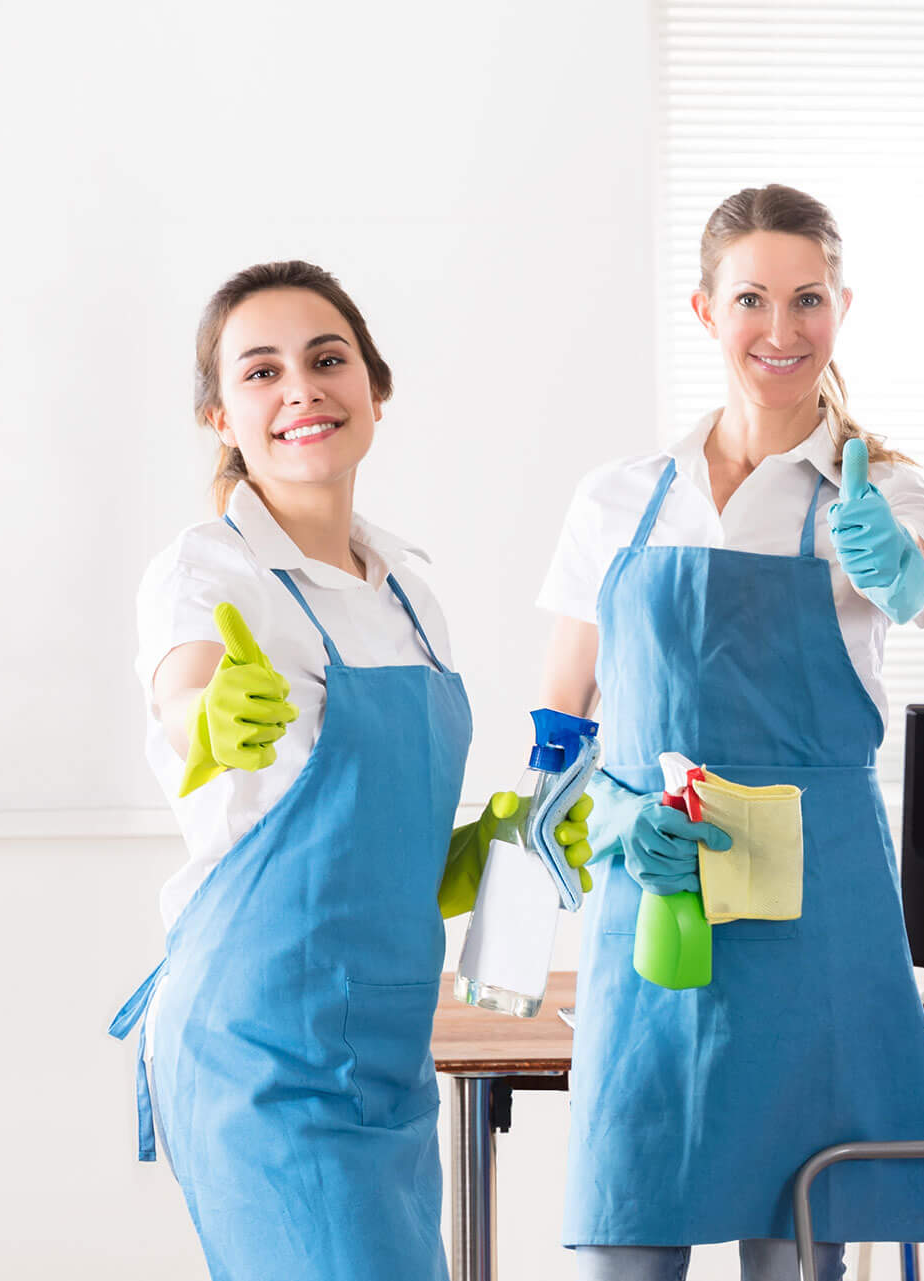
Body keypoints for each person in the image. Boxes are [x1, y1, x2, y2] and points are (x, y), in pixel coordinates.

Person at [115, 260, 584, 1279]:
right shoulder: (210, 570)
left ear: (376, 387)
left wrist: (481, 852)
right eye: (261, 372)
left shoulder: (405, 593)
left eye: (328, 360)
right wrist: (208, 725)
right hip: (263, 1048)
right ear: (220, 417)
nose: (301, 390)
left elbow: (377, 844)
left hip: (385, 1049)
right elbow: (185, 687)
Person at [537, 184, 924, 1280]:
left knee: (798, 1237)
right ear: (704, 310)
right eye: (752, 299)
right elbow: (558, 726)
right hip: (658, 897)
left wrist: (886, 558)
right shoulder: (621, 499)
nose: (781, 330)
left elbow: (908, 586)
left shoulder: (886, 489)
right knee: (631, 1212)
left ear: (842, 307)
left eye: (807, 299)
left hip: (817, 913)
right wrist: (617, 818)